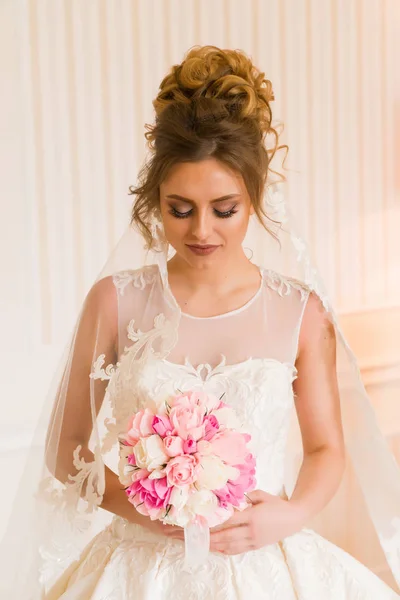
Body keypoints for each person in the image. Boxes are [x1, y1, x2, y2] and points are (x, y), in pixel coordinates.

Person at [2, 45, 400, 599]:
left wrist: (289, 514)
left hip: (262, 561)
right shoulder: (115, 302)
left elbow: (326, 449)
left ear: (255, 197)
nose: (201, 232)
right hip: (140, 568)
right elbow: (67, 446)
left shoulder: (299, 313)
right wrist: (150, 509)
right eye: (180, 209)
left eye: (224, 208)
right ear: (154, 200)